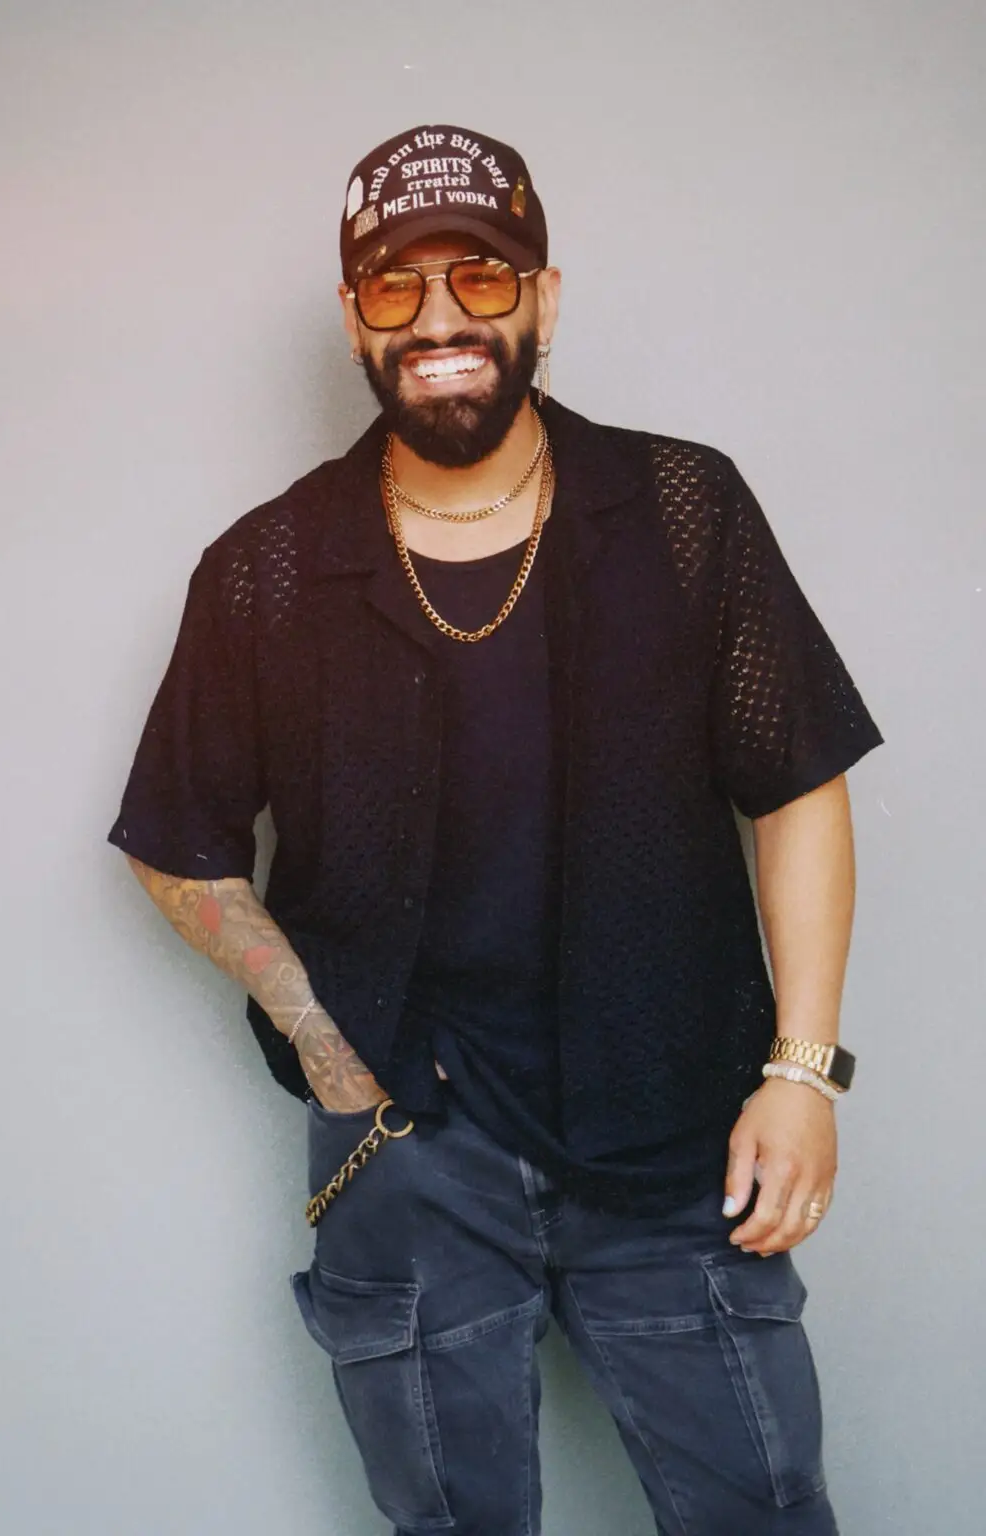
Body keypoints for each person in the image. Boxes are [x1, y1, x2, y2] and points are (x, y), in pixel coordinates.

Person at [106, 124, 883, 1535]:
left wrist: (803, 1073)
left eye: (480, 275)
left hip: (679, 1135)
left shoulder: (681, 511)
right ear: (356, 318)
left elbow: (796, 782)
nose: (440, 318)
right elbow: (179, 839)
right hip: (412, 1161)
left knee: (763, 1512)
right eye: (395, 288)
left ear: (544, 296)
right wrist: (330, 1054)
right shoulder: (267, 570)